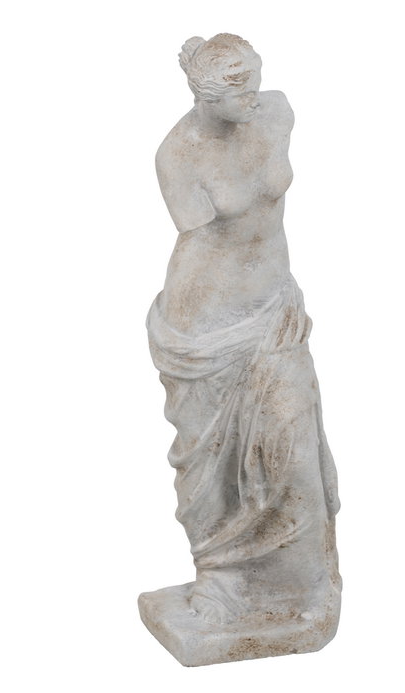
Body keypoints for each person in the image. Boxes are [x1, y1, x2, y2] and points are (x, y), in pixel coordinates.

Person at [146, 33, 341, 628]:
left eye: (256, 82)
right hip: (204, 325)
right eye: (240, 92)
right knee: (210, 466)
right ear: (205, 97)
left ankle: (307, 587)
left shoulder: (275, 112)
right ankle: (222, 582)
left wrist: (284, 288)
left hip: (273, 310)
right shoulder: (178, 154)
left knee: (292, 448)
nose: (254, 98)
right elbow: (200, 235)